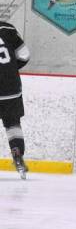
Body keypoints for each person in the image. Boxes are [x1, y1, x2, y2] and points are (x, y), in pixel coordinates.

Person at [0, 21, 31, 179]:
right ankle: (18, 157)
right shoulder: (8, 28)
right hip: (11, 88)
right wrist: (10, 68)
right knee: (12, 123)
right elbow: (25, 55)